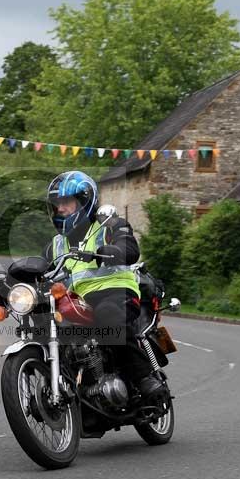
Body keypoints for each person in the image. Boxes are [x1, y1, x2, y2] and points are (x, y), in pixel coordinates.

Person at [43, 170, 163, 398]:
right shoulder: (57, 244)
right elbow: (40, 266)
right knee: (54, 327)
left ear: (85, 201)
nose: (60, 209)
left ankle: (143, 377)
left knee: (108, 314)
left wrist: (111, 250)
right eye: (56, 203)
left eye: (66, 202)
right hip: (81, 301)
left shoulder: (108, 226)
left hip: (118, 292)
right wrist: (12, 280)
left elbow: (129, 248)